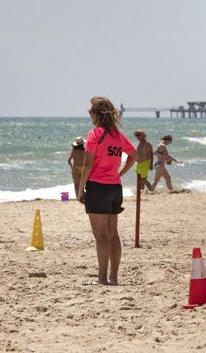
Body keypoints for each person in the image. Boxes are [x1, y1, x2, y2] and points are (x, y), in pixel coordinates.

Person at [77, 96, 136, 286]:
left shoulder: (96, 134)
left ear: (97, 114)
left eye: (91, 112)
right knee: (113, 235)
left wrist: (80, 189)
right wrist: (120, 173)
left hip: (98, 186)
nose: (90, 115)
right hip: (115, 187)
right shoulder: (118, 135)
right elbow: (134, 155)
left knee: (101, 236)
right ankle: (114, 278)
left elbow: (87, 165)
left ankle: (102, 279)